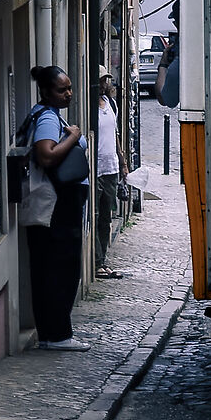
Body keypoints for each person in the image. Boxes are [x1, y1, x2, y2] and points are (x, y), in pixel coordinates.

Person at [22, 65, 90, 350]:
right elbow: (46, 156)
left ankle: (52, 333)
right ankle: (58, 335)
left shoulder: (43, 115)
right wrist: (74, 136)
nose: (69, 94)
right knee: (60, 269)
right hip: (57, 208)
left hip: (57, 206)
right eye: (62, 90)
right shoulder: (48, 119)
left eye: (70, 88)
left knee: (48, 269)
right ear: (46, 92)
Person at [93, 75, 125, 277]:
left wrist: (123, 162)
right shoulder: (89, 105)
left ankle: (103, 259)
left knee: (106, 217)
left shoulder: (111, 103)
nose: (106, 83)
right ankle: (97, 263)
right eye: (103, 79)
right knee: (95, 216)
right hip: (95, 169)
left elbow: (115, 134)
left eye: (107, 80)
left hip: (111, 167)